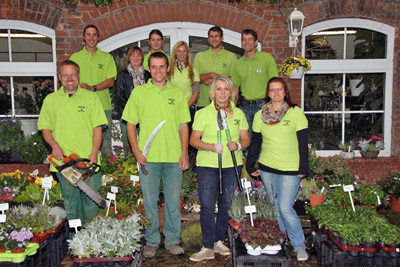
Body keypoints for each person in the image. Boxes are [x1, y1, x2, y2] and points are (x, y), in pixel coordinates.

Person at [122, 52, 190, 258]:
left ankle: (172, 240)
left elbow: (183, 125)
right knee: (149, 202)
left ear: (167, 68)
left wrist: (184, 153)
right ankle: (151, 241)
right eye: (154, 67)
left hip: (172, 157)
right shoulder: (139, 93)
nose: (158, 70)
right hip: (147, 158)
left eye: (162, 66)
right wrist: (136, 151)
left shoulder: (177, 93)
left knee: (172, 202)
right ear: (148, 69)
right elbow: (130, 124)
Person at [246, 77, 309, 262]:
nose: (276, 93)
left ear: (285, 91)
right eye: (272, 90)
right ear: (268, 93)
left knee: (285, 206)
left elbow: (303, 142)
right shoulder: (260, 115)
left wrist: (304, 167)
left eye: (279, 89)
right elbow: (255, 143)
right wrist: (250, 165)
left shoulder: (295, 113)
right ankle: (282, 240)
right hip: (268, 167)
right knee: (275, 207)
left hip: (291, 168)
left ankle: (299, 245)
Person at [38, 60, 107, 223]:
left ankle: (90, 243)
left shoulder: (91, 97)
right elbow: (45, 128)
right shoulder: (51, 100)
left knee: (92, 205)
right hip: (63, 163)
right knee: (71, 206)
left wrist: (94, 152)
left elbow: (98, 127)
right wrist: (54, 145)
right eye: (66, 75)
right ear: (60, 77)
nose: (70, 78)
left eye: (73, 75)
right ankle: (73, 243)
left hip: (89, 162)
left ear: (78, 76)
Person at [189, 76, 250, 262]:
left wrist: (238, 146)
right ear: (212, 92)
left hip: (231, 165)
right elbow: (193, 140)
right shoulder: (203, 114)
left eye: (225, 89)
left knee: (226, 203)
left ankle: (218, 240)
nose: (222, 93)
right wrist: (209, 146)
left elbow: (246, 138)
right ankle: (207, 245)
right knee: (207, 205)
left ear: (230, 92)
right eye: (218, 89)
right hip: (208, 165)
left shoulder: (238, 114)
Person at [70, 24, 117, 154]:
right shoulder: (75, 58)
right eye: (88, 34)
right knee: (82, 139)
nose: (91, 38)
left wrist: (93, 88)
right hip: (81, 106)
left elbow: (111, 81)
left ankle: (107, 172)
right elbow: (69, 81)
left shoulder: (107, 57)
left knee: (106, 143)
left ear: (98, 37)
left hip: (103, 106)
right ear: (84, 37)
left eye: (94, 35)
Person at [231, 29, 278, 136]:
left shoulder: (266, 58)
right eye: (244, 40)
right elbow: (235, 88)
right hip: (245, 106)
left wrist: (274, 104)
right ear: (241, 43)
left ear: (256, 42)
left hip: (263, 105)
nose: (246, 42)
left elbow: (275, 83)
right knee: (246, 137)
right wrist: (232, 108)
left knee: (264, 136)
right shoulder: (238, 64)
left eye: (250, 39)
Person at [194, 26, 237, 110]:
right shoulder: (200, 56)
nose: (214, 39)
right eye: (211, 36)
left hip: (225, 102)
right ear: (208, 39)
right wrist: (210, 74)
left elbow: (234, 79)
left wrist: (214, 79)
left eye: (216, 36)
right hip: (203, 103)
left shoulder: (231, 56)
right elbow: (194, 78)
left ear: (222, 38)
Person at [116, 47, 151, 148]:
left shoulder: (148, 75)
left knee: (146, 144)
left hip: (146, 115)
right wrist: (133, 110)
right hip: (128, 115)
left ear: (142, 57)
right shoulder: (122, 75)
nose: (136, 58)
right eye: (133, 55)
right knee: (129, 145)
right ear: (129, 58)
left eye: (138, 55)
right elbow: (120, 95)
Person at [169, 41, 200, 121]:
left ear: (187, 53)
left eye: (184, 51)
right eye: (179, 51)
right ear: (175, 53)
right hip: (171, 109)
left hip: (188, 109)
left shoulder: (193, 71)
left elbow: (196, 94)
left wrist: (185, 108)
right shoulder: (169, 70)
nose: (181, 54)